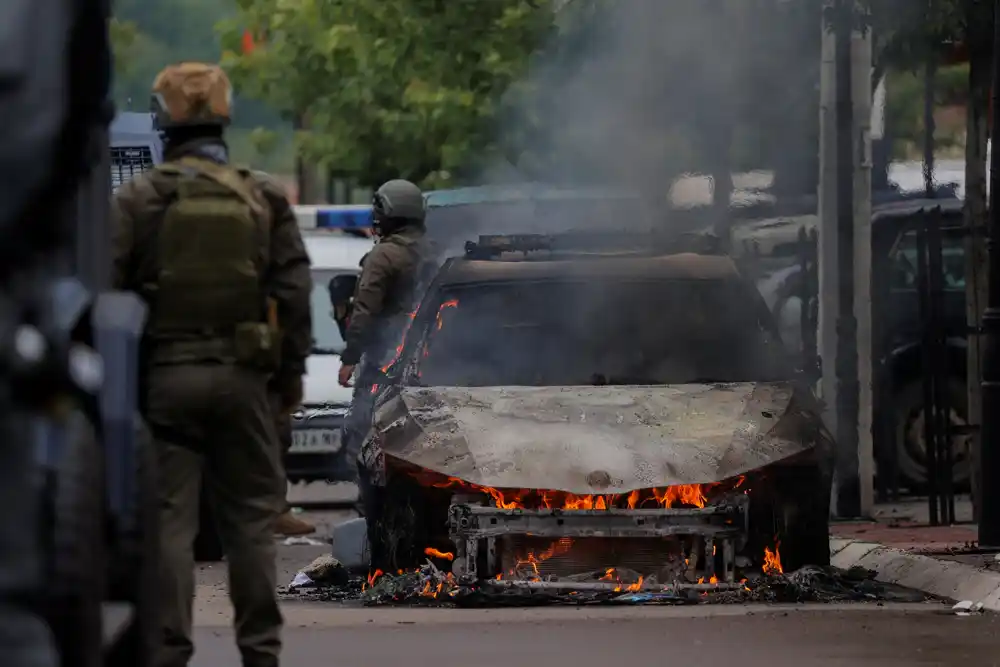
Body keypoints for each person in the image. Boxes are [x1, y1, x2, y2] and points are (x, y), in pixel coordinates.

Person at [111, 62, 312, 667]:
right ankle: (260, 653)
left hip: (166, 381)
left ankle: (169, 651)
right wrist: (288, 377)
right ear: (224, 116)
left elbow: (108, 294)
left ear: (164, 117)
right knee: (250, 522)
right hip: (242, 381)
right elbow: (295, 294)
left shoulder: (140, 198)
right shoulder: (263, 195)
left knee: (171, 523)